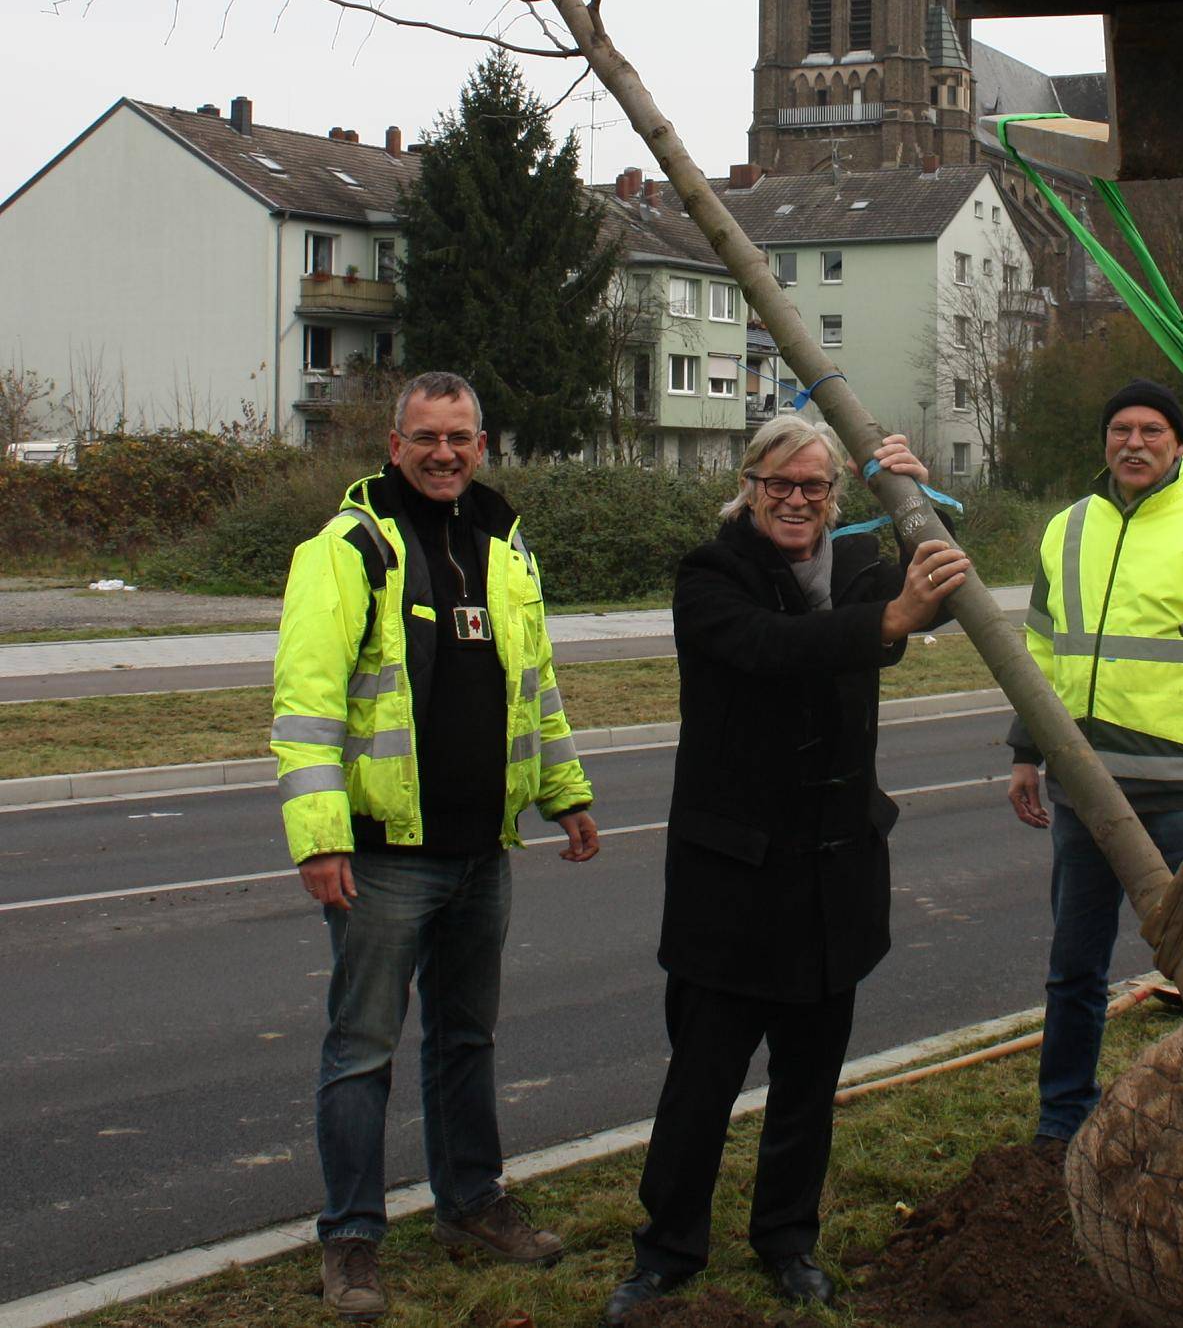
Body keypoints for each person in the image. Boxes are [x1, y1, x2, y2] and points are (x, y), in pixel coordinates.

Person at [603, 415, 968, 1323]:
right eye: (779, 485)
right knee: (702, 1083)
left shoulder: (856, 568)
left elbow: (946, 588)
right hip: (732, 885)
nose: (796, 501)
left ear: (835, 496)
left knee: (808, 1086)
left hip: (833, 877)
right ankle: (666, 1249)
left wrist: (914, 503)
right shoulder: (711, 573)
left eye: (813, 487)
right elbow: (768, 649)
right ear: (749, 484)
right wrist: (885, 621)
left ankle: (787, 1240)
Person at [271, 371, 599, 1321]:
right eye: (427, 437)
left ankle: (470, 1204)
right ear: (394, 441)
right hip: (380, 856)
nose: (444, 453)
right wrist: (321, 838)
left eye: (460, 437)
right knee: (361, 1051)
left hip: (480, 850)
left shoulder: (506, 544)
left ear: (482, 445)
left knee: (467, 1040)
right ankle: (353, 1241)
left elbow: (535, 685)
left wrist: (565, 790)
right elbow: (306, 707)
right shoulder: (347, 549)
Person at [1006, 378, 1183, 1146]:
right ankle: (1063, 1122)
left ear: (1179, 445)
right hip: (1084, 793)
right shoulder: (1066, 530)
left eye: (1151, 430)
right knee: (1074, 971)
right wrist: (1028, 752)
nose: (1133, 443)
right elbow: (1037, 653)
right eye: (1120, 429)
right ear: (1104, 442)